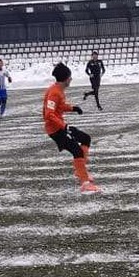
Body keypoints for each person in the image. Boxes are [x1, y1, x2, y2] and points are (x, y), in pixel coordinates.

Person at [44, 62, 99, 194]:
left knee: (85, 138)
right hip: (55, 130)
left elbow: (60, 106)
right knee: (77, 150)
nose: (71, 79)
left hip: (61, 126)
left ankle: (80, 171)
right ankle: (85, 183)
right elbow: (49, 114)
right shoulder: (54, 92)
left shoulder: (58, 90)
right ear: (65, 79)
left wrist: (73, 108)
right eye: (70, 77)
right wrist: (65, 126)